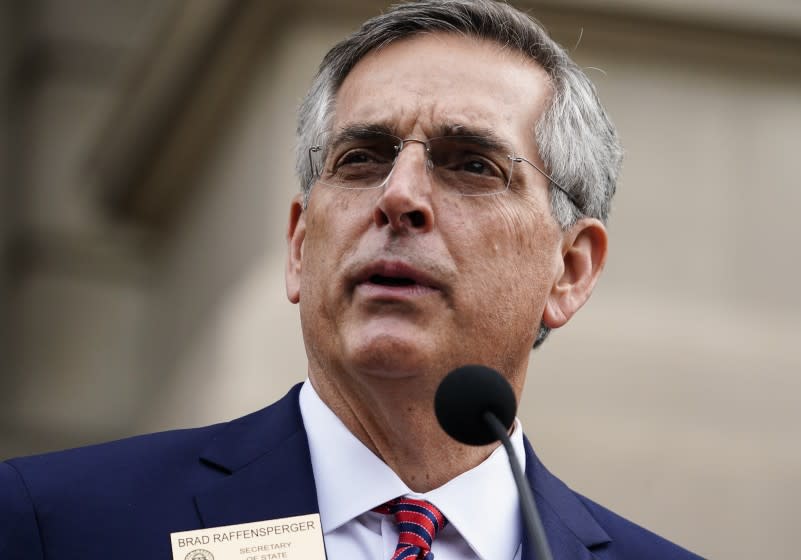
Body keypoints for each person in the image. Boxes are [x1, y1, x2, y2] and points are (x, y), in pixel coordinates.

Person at [0, 1, 703, 559]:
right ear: (301, 244)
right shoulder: (54, 524)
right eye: (362, 158)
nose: (399, 196)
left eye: (470, 164)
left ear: (570, 270)